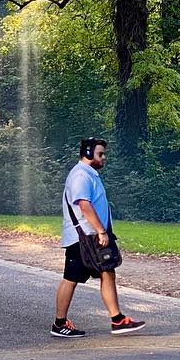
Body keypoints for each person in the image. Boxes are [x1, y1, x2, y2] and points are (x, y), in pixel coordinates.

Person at [51, 137, 146, 337]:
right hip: (84, 238)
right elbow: (84, 205)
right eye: (100, 154)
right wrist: (101, 231)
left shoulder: (90, 175)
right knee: (71, 278)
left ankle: (117, 319)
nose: (104, 158)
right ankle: (59, 324)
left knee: (107, 272)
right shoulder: (80, 176)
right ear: (87, 154)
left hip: (92, 237)